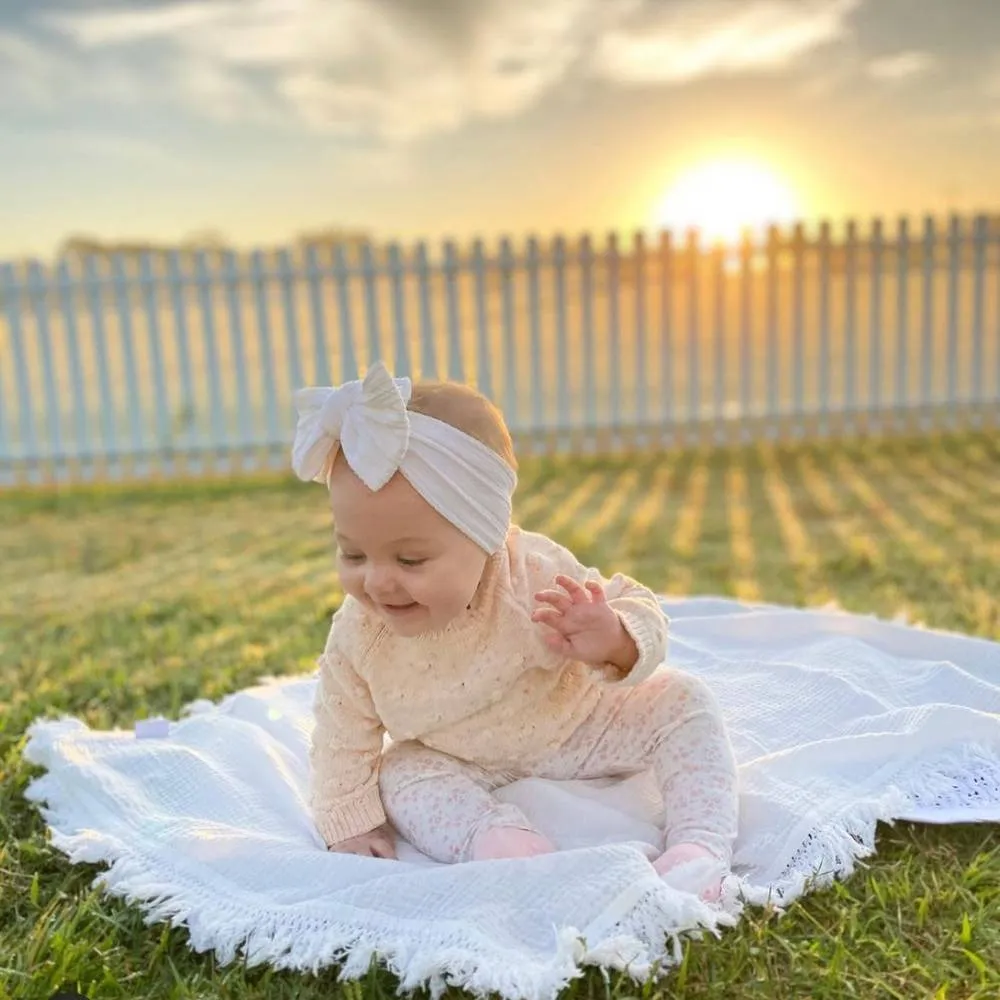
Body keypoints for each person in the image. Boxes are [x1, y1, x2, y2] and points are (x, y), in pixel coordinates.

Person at [292, 361, 739, 900]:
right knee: (398, 774)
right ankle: (496, 839)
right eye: (353, 553)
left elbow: (638, 604)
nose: (378, 582)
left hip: (574, 725)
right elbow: (342, 733)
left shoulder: (532, 573)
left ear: (487, 539)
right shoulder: (359, 635)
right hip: (456, 757)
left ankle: (699, 845)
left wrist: (613, 635)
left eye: (410, 559)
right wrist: (351, 820)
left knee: (684, 700)